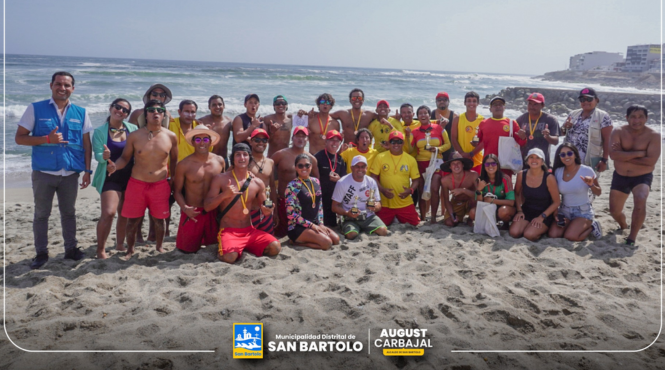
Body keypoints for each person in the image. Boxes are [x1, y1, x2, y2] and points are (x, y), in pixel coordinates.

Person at [15, 71, 93, 269]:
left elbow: (86, 143)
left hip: (70, 172)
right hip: (44, 172)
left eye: (67, 85)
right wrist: (46, 139)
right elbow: (20, 138)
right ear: (51, 86)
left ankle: (71, 249)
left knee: (69, 213)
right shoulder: (35, 109)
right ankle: (41, 254)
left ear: (73, 89)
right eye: (59, 84)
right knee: (42, 214)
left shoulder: (81, 112)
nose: (62, 88)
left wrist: (87, 170)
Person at [107, 100, 178, 260]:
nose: (156, 113)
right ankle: (130, 250)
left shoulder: (171, 137)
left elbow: (174, 161)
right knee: (132, 220)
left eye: (160, 110)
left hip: (160, 184)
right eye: (151, 110)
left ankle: (159, 247)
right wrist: (114, 166)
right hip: (137, 184)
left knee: (159, 220)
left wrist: (174, 180)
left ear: (164, 114)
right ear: (145, 114)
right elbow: (125, 159)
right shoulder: (135, 136)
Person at [204, 144, 281, 263]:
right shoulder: (221, 179)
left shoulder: (257, 182)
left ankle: (243, 248)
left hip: (249, 231)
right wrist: (224, 195)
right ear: (232, 158)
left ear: (249, 158)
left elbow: (265, 207)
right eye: (238, 155)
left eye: (245, 155)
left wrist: (267, 211)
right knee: (230, 258)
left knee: (275, 247)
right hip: (228, 230)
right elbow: (207, 206)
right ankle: (229, 249)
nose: (242, 158)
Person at [92, 99, 139, 259]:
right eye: (117, 107)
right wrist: (104, 156)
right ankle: (100, 249)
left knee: (124, 213)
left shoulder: (132, 129)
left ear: (127, 114)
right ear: (111, 108)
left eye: (125, 110)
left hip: (130, 176)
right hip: (110, 175)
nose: (120, 111)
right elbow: (98, 156)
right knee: (109, 212)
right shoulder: (100, 131)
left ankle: (120, 244)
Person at [609, 104, 661, 246]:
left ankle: (631, 238)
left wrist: (623, 155)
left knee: (641, 198)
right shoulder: (618, 131)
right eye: (633, 117)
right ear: (627, 118)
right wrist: (639, 153)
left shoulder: (654, 135)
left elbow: (651, 161)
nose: (636, 120)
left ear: (646, 118)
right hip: (620, 176)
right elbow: (613, 155)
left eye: (640, 117)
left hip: (641, 177)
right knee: (614, 211)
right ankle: (623, 225)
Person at [173, 126, 225, 253]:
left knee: (215, 248)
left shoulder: (219, 161)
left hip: (214, 212)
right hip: (193, 212)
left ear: (210, 142)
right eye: (198, 140)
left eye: (205, 140)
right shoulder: (184, 165)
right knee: (186, 250)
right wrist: (185, 208)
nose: (202, 143)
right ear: (192, 142)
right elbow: (177, 191)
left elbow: (226, 184)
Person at [548, 143, 602, 241]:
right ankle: (573, 226)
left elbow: (598, 192)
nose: (566, 157)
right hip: (564, 211)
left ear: (575, 154)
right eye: (563, 155)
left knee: (570, 237)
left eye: (569, 153)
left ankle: (592, 226)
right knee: (553, 234)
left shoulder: (586, 170)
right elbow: (554, 195)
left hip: (583, 212)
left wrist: (591, 185)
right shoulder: (558, 171)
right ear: (559, 157)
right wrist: (555, 213)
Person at [272, 127, 320, 237]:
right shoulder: (280, 155)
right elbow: (265, 168)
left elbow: (317, 183)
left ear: (307, 139)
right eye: (298, 136)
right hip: (284, 202)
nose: (300, 139)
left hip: (304, 204)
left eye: (303, 136)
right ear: (292, 138)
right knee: (281, 233)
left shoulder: (311, 159)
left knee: (303, 232)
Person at [285, 154, 340, 249]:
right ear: (295, 168)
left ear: (311, 166)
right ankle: (295, 242)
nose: (304, 168)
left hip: (315, 223)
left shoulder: (316, 181)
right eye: (300, 166)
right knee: (327, 243)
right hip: (297, 226)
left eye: (307, 165)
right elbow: (290, 214)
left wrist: (321, 224)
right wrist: (312, 226)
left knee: (336, 240)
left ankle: (313, 236)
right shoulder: (292, 186)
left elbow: (320, 206)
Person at [408, 105, 451, 221]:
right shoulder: (414, 132)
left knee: (434, 188)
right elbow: (410, 150)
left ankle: (433, 217)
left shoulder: (439, 128)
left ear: (429, 115)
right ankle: (422, 217)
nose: (423, 115)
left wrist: (438, 149)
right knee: (422, 191)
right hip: (421, 164)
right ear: (417, 117)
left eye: (425, 113)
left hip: (436, 161)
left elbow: (448, 144)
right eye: (420, 113)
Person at [370, 131, 421, 226]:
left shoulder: (410, 159)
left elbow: (416, 180)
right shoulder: (380, 157)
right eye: (393, 142)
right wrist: (383, 190)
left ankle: (396, 218)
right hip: (385, 203)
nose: (396, 144)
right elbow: (373, 177)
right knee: (378, 226)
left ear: (403, 143)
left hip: (404, 202)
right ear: (389, 143)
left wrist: (410, 190)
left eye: (399, 142)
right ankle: (394, 218)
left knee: (416, 224)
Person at [509, 148, 560, 241]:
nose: (534, 160)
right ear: (527, 160)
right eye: (531, 157)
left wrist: (542, 217)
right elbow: (516, 193)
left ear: (542, 161)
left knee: (529, 235)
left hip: (544, 213)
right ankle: (529, 226)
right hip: (527, 210)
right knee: (514, 233)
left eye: (537, 158)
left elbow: (556, 202)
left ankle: (539, 228)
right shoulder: (521, 174)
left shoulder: (549, 177)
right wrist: (519, 210)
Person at [332, 156, 387, 239]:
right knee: (351, 235)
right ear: (351, 168)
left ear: (366, 168)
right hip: (350, 218)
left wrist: (375, 207)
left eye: (363, 167)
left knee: (383, 231)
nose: (360, 169)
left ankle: (362, 229)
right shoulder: (342, 182)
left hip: (368, 216)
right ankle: (344, 227)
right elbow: (334, 207)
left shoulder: (371, 181)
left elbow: (379, 203)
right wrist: (347, 213)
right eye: (357, 166)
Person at [470, 96, 526, 176]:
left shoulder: (511, 123)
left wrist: (523, 137)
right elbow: (479, 142)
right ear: (490, 109)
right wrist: (474, 143)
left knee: (506, 186)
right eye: (495, 105)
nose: (498, 106)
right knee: (487, 187)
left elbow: (521, 143)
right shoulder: (483, 123)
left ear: (504, 108)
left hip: (505, 164)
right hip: (488, 164)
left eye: (500, 104)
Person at [561, 87, 613, 172]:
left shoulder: (603, 116)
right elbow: (562, 132)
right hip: (569, 158)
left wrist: (604, 160)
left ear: (596, 100)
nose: (585, 102)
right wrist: (565, 127)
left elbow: (607, 140)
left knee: (587, 183)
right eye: (582, 99)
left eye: (589, 99)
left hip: (589, 160)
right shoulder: (573, 114)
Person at [515, 93, 560, 168]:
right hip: (525, 163)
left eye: (535, 104)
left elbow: (556, 142)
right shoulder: (520, 119)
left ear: (542, 106)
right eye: (530, 104)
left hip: (543, 162)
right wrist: (521, 138)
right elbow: (515, 142)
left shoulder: (550, 120)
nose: (532, 107)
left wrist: (548, 137)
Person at [469, 154, 516, 226]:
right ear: (484, 166)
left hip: (502, 208)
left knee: (503, 211)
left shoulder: (505, 178)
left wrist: (492, 201)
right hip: (488, 208)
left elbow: (511, 202)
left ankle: (505, 224)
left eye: (493, 163)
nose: (490, 166)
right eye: (487, 164)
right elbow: (478, 203)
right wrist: (479, 190)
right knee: (473, 213)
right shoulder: (481, 179)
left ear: (497, 165)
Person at [314, 130, 347, 227]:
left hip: (334, 199)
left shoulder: (341, 159)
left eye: (337, 141)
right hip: (320, 198)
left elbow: (344, 180)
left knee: (332, 225)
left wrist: (339, 179)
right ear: (326, 142)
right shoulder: (317, 157)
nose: (335, 143)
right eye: (332, 140)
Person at [247, 128, 276, 234]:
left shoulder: (270, 162)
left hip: (266, 210)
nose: (261, 143)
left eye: (264, 141)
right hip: (249, 211)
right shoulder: (244, 161)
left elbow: (272, 187)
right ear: (250, 141)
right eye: (257, 140)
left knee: (268, 243)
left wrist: (275, 212)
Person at [440, 152, 478, 227]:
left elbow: (480, 195)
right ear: (450, 167)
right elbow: (446, 200)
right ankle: (458, 217)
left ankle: (470, 219)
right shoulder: (445, 180)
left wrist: (463, 190)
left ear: (463, 165)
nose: (456, 165)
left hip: (472, 202)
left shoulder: (473, 175)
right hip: (457, 202)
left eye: (458, 163)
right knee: (449, 223)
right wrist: (452, 214)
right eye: (453, 163)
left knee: (474, 211)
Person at [451, 91, 484, 173]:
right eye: (469, 101)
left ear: (478, 103)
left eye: (474, 101)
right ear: (464, 103)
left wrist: (471, 154)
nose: (471, 103)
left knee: (477, 184)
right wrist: (462, 153)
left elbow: (484, 141)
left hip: (477, 160)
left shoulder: (483, 120)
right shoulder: (457, 119)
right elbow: (453, 138)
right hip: (461, 159)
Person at [198, 95, 232, 164]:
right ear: (209, 107)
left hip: (224, 160)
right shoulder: (202, 121)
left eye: (220, 104)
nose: (217, 107)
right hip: (207, 161)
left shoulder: (229, 121)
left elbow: (239, 134)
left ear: (224, 106)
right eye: (214, 105)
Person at [430, 92, 458, 161]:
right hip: (434, 149)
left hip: (450, 150)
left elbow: (459, 135)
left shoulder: (455, 116)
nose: (442, 101)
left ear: (448, 102)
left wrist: (458, 151)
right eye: (439, 100)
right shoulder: (430, 115)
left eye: (444, 100)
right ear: (436, 102)